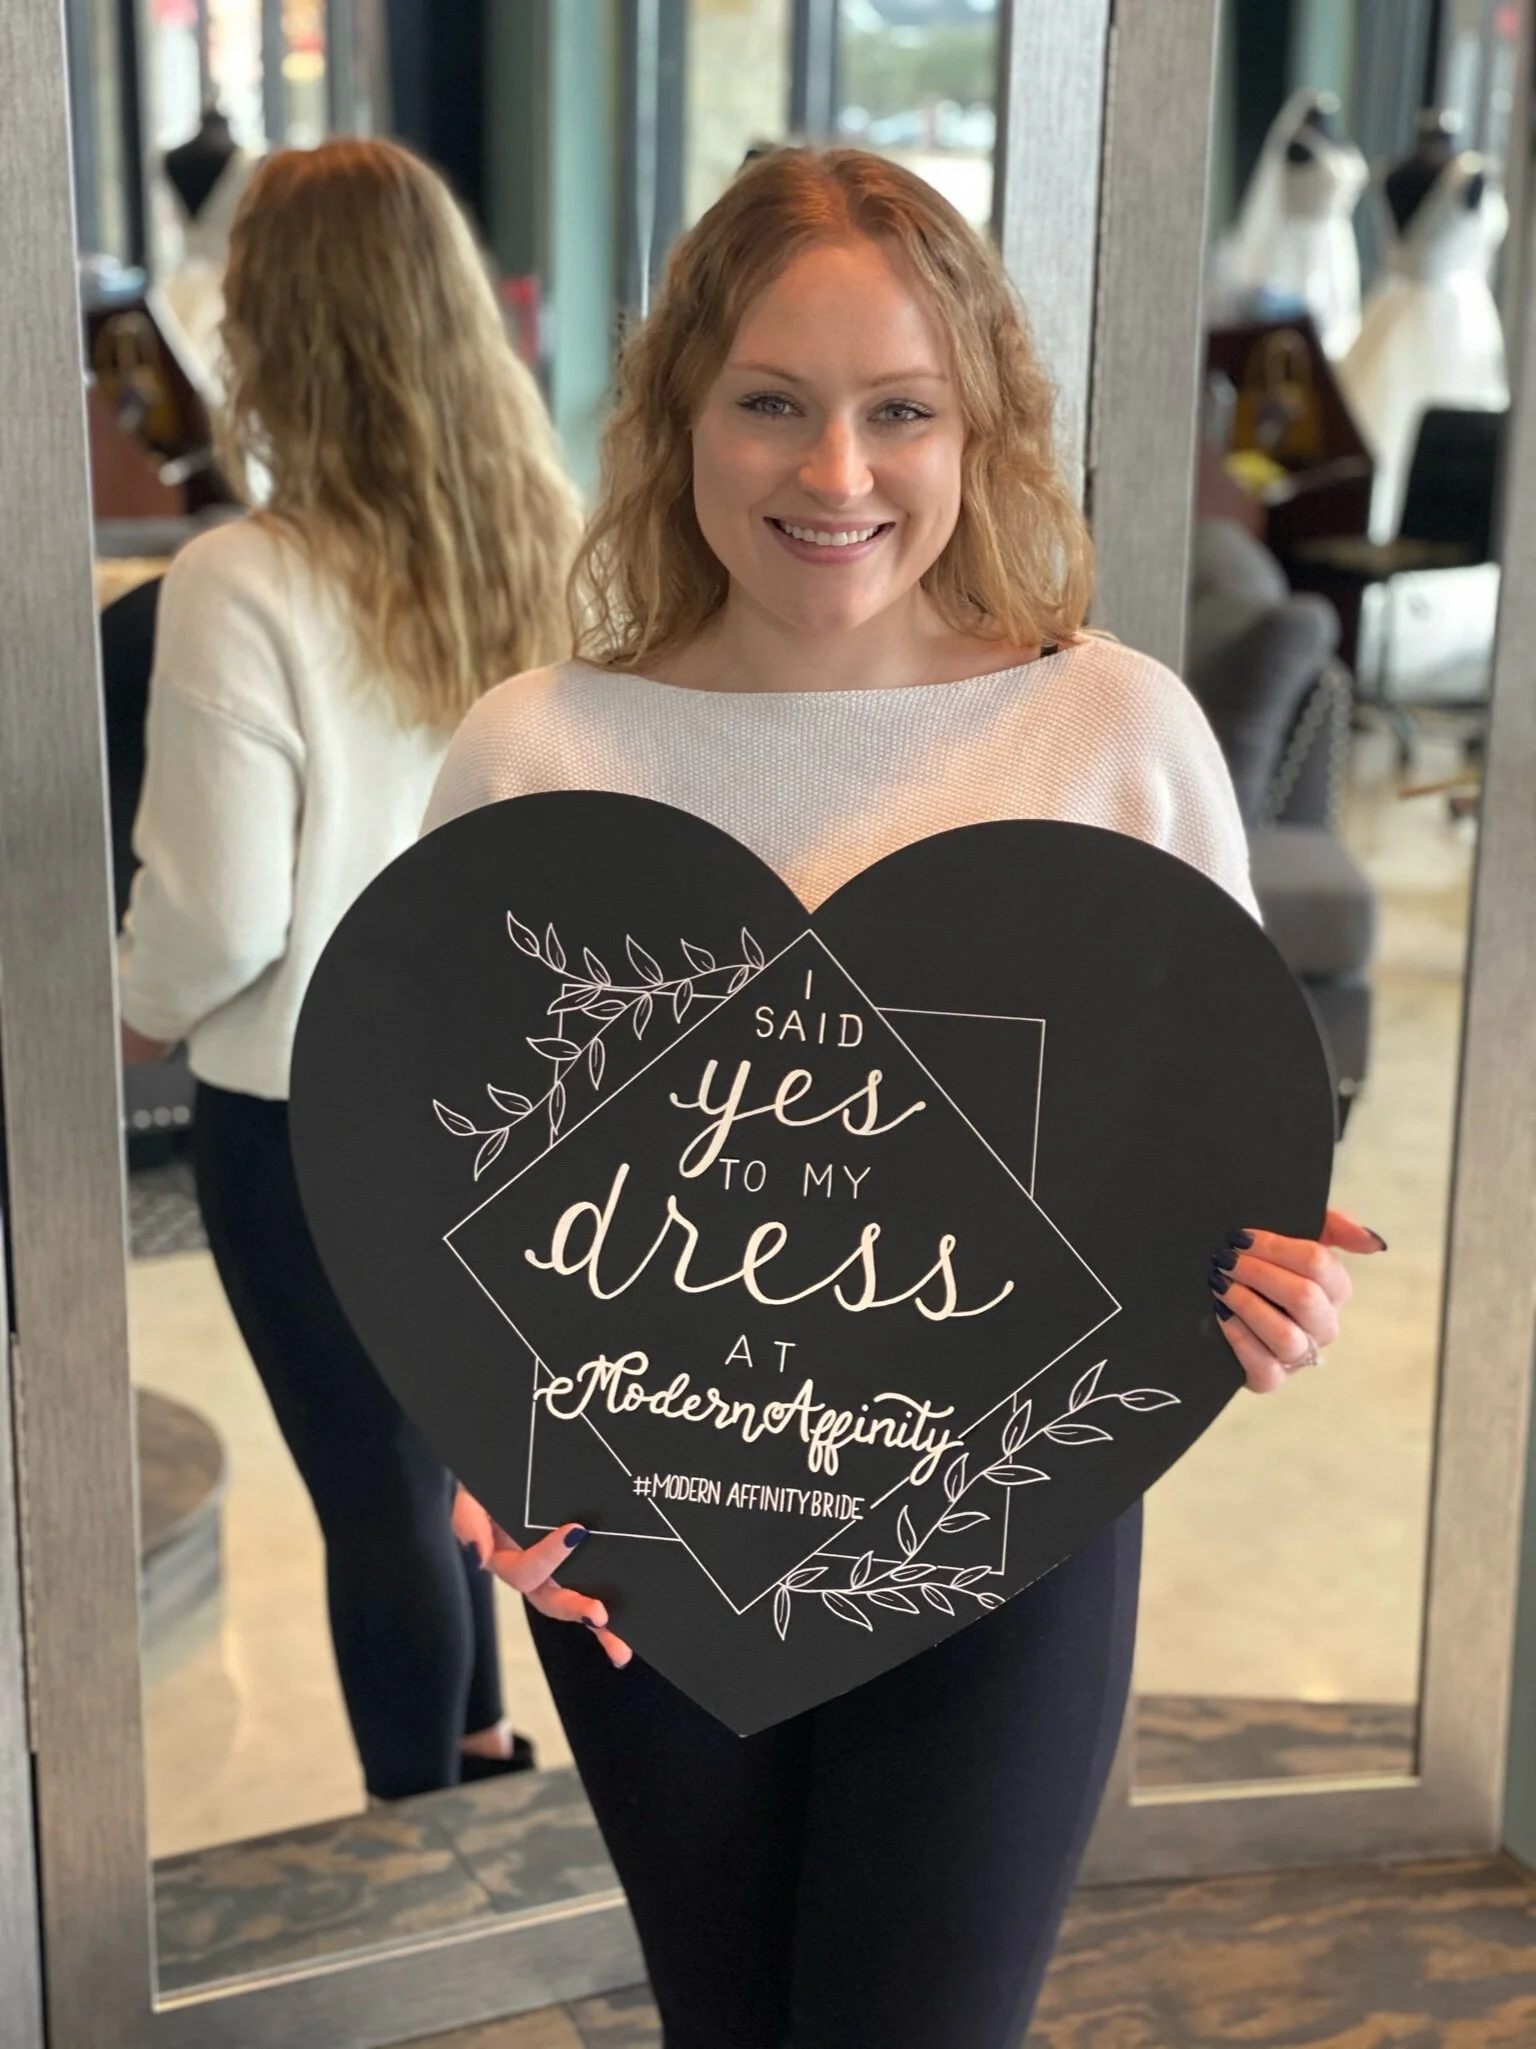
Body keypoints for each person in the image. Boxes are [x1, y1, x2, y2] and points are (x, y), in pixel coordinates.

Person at [430, 147, 1385, 2046]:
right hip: (651, 1542)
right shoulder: (536, 757)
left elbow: (1205, 1144)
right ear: (679, 415)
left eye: (900, 411)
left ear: (980, 427)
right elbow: (463, 1180)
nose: (837, 473)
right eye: (771, 403)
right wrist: (485, 1453)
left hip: (1007, 1543)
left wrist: (1272, 1285)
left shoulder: (1110, 734)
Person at [118, 139, 583, 1801]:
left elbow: (221, 915)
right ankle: (482, 1752)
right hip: (515, 1099)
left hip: (304, 1111)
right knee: (458, 1456)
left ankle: (415, 1851)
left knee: (370, 1496)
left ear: (274, 333)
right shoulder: (556, 547)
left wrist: (123, 1014)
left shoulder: (239, 583)